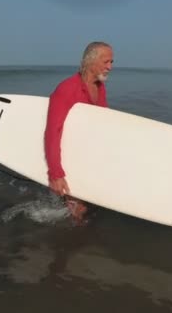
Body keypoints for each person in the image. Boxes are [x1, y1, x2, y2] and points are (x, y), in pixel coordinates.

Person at [44, 41, 114, 225]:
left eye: (111, 62)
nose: (110, 67)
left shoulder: (100, 87)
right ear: (91, 61)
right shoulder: (66, 89)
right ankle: (71, 245)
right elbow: (53, 131)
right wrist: (56, 174)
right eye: (106, 62)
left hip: (87, 153)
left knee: (89, 206)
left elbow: (101, 121)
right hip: (69, 155)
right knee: (78, 213)